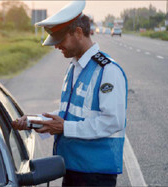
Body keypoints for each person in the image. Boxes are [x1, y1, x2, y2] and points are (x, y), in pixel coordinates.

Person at [12, 1, 128, 186]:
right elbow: (70, 114)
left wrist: (65, 128)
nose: (57, 46)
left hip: (95, 175)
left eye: (60, 40)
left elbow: (113, 121)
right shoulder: (74, 67)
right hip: (72, 169)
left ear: (79, 33)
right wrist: (37, 120)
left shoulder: (107, 70)